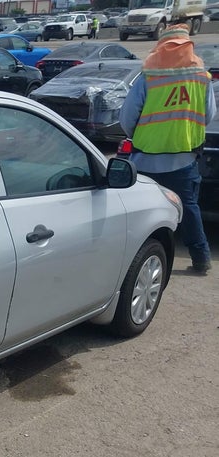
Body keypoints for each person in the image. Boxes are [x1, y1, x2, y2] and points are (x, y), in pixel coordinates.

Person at [120, 21, 216, 274]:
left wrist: (141, 135)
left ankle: (134, 260)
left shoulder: (148, 77)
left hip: (145, 159)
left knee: (142, 211)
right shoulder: (202, 78)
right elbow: (208, 116)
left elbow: (127, 118)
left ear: (162, 45)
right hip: (184, 158)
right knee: (189, 209)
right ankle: (201, 258)